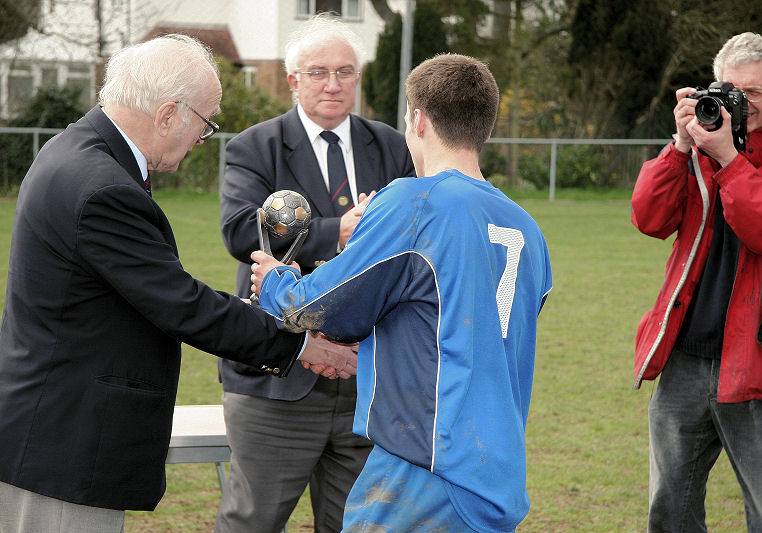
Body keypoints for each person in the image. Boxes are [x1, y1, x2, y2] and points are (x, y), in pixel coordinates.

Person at [0, 34, 355, 533]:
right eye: (206, 123)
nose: (202, 138)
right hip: (62, 448)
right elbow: (180, 302)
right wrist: (299, 345)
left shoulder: (81, 153)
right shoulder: (101, 185)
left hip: (57, 433)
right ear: (168, 113)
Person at [250, 53, 552, 533]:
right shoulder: (527, 228)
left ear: (419, 120)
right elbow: (444, 320)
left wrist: (273, 281)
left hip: (427, 466)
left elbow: (314, 307)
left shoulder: (415, 200)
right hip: (496, 471)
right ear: (486, 127)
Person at [214, 13, 415, 533]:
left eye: (345, 71)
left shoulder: (393, 148)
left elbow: (417, 242)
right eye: (319, 71)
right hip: (278, 378)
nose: (333, 83)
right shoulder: (254, 146)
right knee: (251, 522)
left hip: (367, 379)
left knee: (356, 526)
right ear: (293, 80)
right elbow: (241, 231)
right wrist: (336, 233)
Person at [632, 32, 762, 531]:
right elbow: (650, 218)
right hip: (686, 353)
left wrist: (729, 158)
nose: (736, 103)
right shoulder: (707, 134)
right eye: (727, 88)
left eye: (750, 93)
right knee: (670, 508)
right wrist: (680, 147)